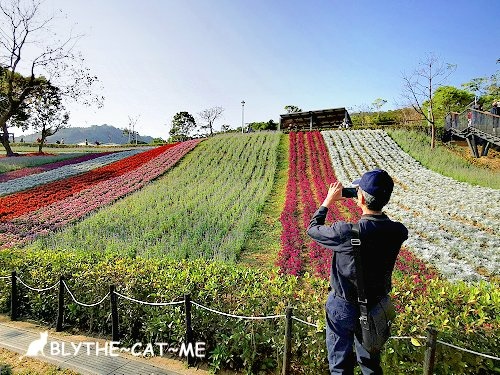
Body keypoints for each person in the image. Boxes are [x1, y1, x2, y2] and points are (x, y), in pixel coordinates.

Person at [307, 169, 408, 374]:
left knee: (339, 366)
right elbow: (381, 225)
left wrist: (328, 201)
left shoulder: (345, 232)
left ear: (360, 197)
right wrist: (372, 202)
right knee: (370, 365)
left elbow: (313, 228)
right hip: (374, 307)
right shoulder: (398, 231)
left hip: (343, 306)